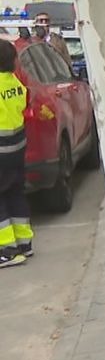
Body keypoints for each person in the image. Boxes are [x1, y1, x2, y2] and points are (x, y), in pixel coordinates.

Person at [0, 40, 33, 269]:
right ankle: (24, 243)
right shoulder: (15, 83)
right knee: (15, 193)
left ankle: (7, 250)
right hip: (17, 148)